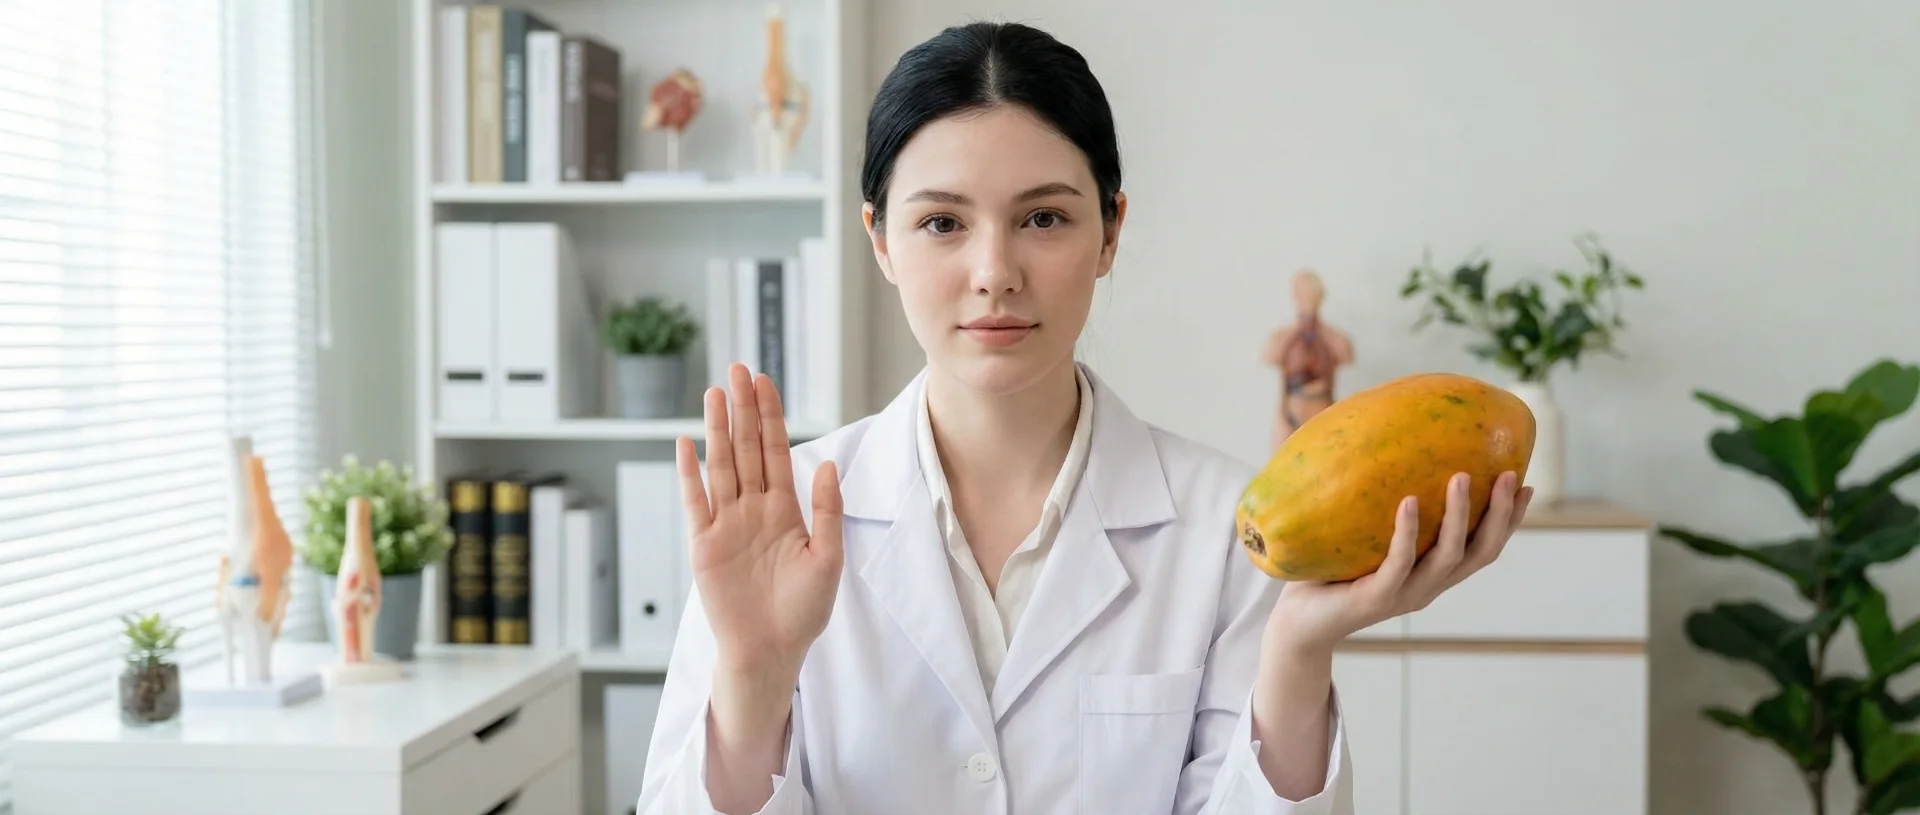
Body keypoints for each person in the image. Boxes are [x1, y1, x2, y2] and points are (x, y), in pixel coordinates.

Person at [638, 20, 1533, 815]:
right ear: (880, 240)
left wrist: (1297, 652)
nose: (995, 270)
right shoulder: (775, 517)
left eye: (1043, 218)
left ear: (1110, 233)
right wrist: (754, 682)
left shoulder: (1233, 528)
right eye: (943, 223)